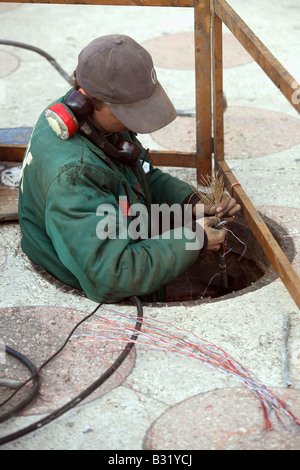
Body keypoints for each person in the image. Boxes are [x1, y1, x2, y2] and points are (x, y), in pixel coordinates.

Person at [18, 35, 240, 304]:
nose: (132, 123)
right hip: (87, 271)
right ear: (89, 101)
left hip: (103, 231)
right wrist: (193, 239)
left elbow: (135, 174)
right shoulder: (74, 176)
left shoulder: (87, 118)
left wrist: (190, 202)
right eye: (129, 113)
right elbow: (110, 276)